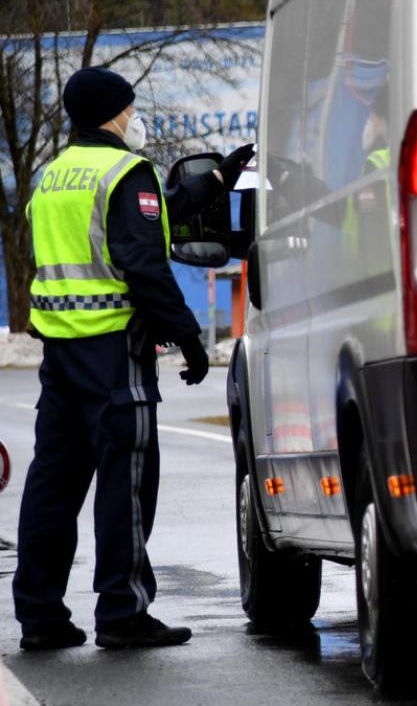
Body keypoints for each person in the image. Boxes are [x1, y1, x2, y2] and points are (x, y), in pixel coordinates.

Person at [14, 67, 253, 650]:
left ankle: (40, 615)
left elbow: (155, 212)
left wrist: (217, 179)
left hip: (61, 352)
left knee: (54, 485)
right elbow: (143, 261)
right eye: (130, 106)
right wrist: (189, 337)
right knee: (126, 478)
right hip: (114, 348)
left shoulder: (52, 177)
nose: (134, 116)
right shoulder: (125, 170)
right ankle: (123, 610)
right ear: (113, 113)